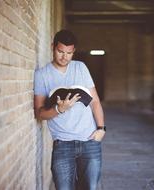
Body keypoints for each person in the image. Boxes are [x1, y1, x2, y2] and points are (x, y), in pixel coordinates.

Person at [34, 29, 106, 190]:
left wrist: (101, 128)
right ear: (53, 47)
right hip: (62, 145)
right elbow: (39, 113)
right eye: (60, 51)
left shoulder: (80, 67)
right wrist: (59, 110)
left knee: (91, 188)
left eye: (69, 53)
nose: (64, 57)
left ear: (73, 51)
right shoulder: (42, 75)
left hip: (90, 141)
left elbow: (95, 101)